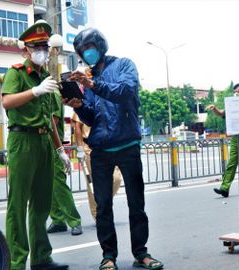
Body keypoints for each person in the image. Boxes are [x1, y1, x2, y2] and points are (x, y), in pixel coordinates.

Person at [63, 28, 164, 270]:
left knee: (136, 203)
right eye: (82, 51)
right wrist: (77, 105)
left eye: (89, 48)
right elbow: (91, 118)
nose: (87, 54)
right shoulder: (85, 80)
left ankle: (141, 252)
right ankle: (108, 255)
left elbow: (125, 92)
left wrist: (92, 83)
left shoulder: (124, 66)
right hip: (100, 148)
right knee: (103, 205)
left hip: (127, 143)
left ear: (100, 46)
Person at [1, 20, 70, 270]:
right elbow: (7, 102)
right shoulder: (16, 73)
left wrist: (60, 149)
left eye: (45, 46)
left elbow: (51, 118)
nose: (42, 50)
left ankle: (41, 257)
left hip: (44, 141)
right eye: (36, 46)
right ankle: (16, 262)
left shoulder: (46, 77)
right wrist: (36, 91)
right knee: (18, 204)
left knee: (42, 202)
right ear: (25, 50)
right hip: (23, 140)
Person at [71, 112, 122, 220]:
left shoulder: (107, 99)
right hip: (90, 148)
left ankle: (103, 204)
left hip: (108, 146)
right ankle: (97, 214)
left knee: (116, 178)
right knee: (93, 183)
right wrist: (79, 148)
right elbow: (77, 126)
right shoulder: (83, 100)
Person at [47, 92, 82, 236]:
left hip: (53, 146)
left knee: (59, 184)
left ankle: (74, 221)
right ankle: (57, 220)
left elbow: (52, 122)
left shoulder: (52, 95)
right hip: (41, 146)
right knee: (47, 186)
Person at [208, 83, 239, 198]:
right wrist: (214, 108)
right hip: (236, 137)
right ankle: (225, 188)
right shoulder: (232, 106)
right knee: (232, 163)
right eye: (234, 92)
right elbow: (221, 113)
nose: (236, 94)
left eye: (238, 92)